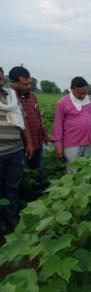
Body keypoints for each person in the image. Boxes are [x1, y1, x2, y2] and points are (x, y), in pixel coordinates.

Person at [0, 67, 34, 233]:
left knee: (12, 186)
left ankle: (11, 219)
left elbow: (23, 122)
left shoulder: (11, 97)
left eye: (0, 79)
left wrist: (29, 143)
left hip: (14, 149)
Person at [9, 66, 50, 190]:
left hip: (37, 142)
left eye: (29, 83)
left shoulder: (32, 96)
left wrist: (45, 134)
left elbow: (38, 117)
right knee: (24, 176)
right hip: (21, 146)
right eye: (24, 84)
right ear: (13, 82)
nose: (28, 86)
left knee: (38, 173)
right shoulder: (9, 98)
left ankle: (40, 199)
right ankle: (26, 203)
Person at [52, 77, 91, 169]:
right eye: (80, 93)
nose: (82, 96)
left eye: (85, 92)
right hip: (72, 144)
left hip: (88, 142)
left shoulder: (89, 100)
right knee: (74, 171)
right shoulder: (62, 103)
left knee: (88, 170)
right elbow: (58, 125)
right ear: (72, 89)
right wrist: (58, 145)